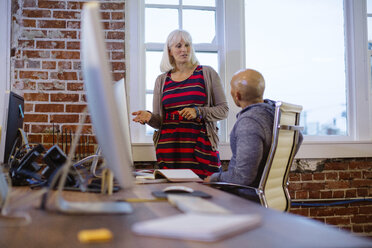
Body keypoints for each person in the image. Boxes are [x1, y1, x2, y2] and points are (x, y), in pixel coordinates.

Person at [132, 29, 228, 179]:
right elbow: (159, 122)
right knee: (171, 195)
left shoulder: (207, 73)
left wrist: (198, 111)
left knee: (210, 194)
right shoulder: (161, 80)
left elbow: (224, 110)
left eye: (187, 45)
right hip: (170, 152)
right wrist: (149, 117)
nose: (184, 49)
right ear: (170, 51)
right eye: (178, 46)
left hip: (201, 149)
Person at [204, 69, 302, 198]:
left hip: (246, 197)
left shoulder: (249, 122)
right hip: (273, 196)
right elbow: (298, 137)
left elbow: (243, 177)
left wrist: (213, 179)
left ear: (237, 95)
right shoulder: (276, 114)